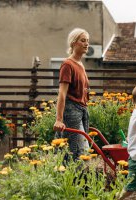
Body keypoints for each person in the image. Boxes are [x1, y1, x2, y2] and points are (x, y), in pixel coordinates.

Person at [53, 28, 90, 160]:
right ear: (74, 43)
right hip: (71, 110)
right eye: (83, 40)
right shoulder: (67, 65)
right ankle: (72, 178)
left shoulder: (80, 64)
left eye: (87, 41)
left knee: (83, 148)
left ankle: (75, 177)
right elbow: (62, 94)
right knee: (76, 149)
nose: (86, 44)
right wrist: (58, 119)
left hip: (82, 110)